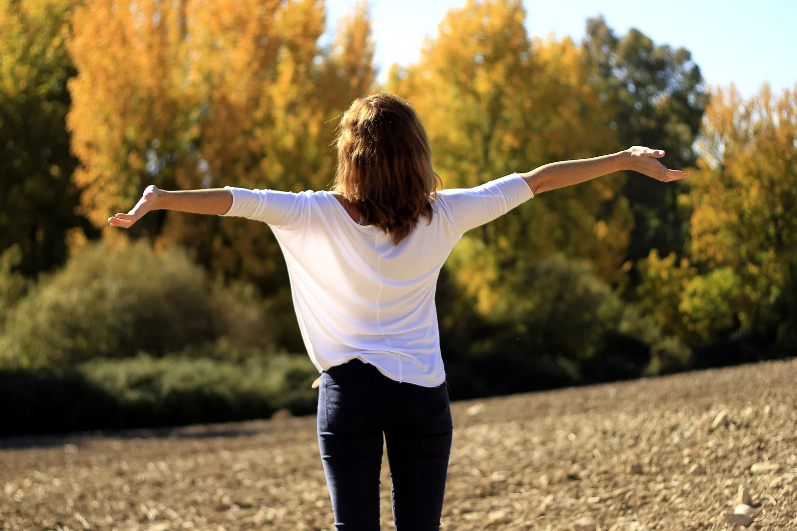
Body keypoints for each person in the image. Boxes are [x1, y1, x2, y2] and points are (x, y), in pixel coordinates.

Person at [108, 92, 685, 530]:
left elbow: (236, 201)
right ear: (416, 155)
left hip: (350, 395)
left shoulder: (313, 213)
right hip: (423, 395)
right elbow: (538, 181)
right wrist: (624, 159)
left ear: (350, 157)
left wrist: (161, 200)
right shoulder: (447, 213)